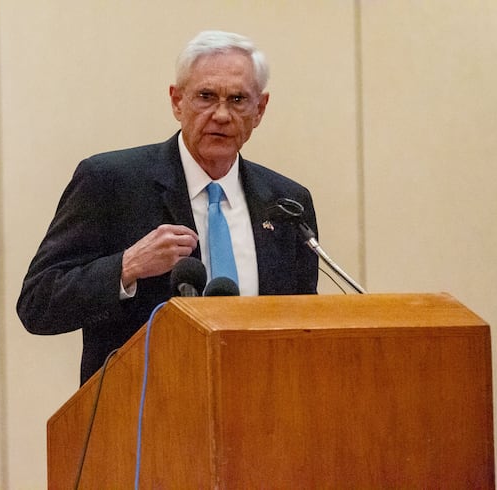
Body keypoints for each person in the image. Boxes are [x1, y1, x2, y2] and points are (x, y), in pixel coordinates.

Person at [17, 30, 319, 385]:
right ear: (177, 101)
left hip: (260, 414)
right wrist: (126, 267)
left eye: (237, 99)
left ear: (260, 109)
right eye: (206, 97)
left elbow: (304, 329)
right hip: (145, 418)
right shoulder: (111, 182)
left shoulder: (286, 203)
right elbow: (38, 304)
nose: (221, 114)